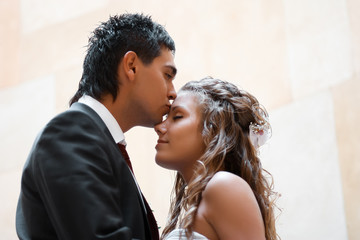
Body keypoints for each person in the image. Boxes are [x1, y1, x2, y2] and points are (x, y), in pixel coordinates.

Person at [16, 13, 177, 240]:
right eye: (167, 75)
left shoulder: (96, 138)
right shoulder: (69, 133)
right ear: (131, 66)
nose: (173, 93)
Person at [154, 77, 279, 240]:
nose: (159, 127)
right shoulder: (210, 195)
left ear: (212, 130)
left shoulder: (224, 185)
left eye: (177, 117)